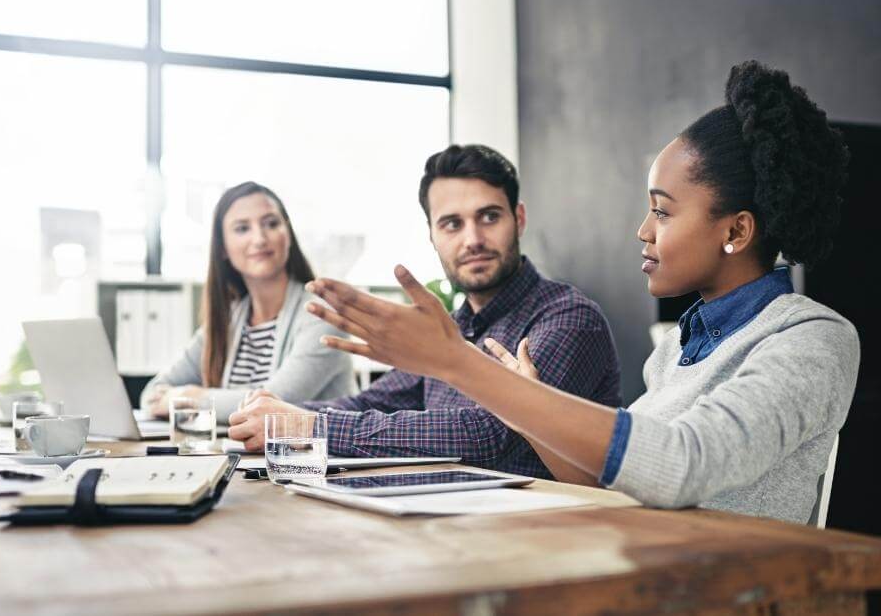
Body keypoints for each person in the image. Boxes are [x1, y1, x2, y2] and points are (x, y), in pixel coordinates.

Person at [300, 61, 855, 524]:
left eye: (661, 211)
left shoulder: (814, 340)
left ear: (735, 231)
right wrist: (525, 408)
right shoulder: (676, 349)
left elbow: (683, 463)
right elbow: (610, 485)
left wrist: (463, 367)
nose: (643, 230)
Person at [229, 146, 622, 477]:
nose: (473, 240)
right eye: (452, 224)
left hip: (548, 540)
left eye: (489, 217)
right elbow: (371, 402)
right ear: (432, 236)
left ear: (517, 219)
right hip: (451, 525)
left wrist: (309, 427)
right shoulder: (453, 326)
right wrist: (277, 417)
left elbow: (491, 436)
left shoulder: (569, 319)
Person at [140, 181, 357, 423]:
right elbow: (152, 395)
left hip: (312, 459)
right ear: (223, 248)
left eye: (271, 224)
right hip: (243, 457)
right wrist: (186, 398)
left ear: (288, 234)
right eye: (242, 228)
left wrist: (192, 398)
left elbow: (274, 405)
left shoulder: (322, 314)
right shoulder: (230, 319)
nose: (260, 238)